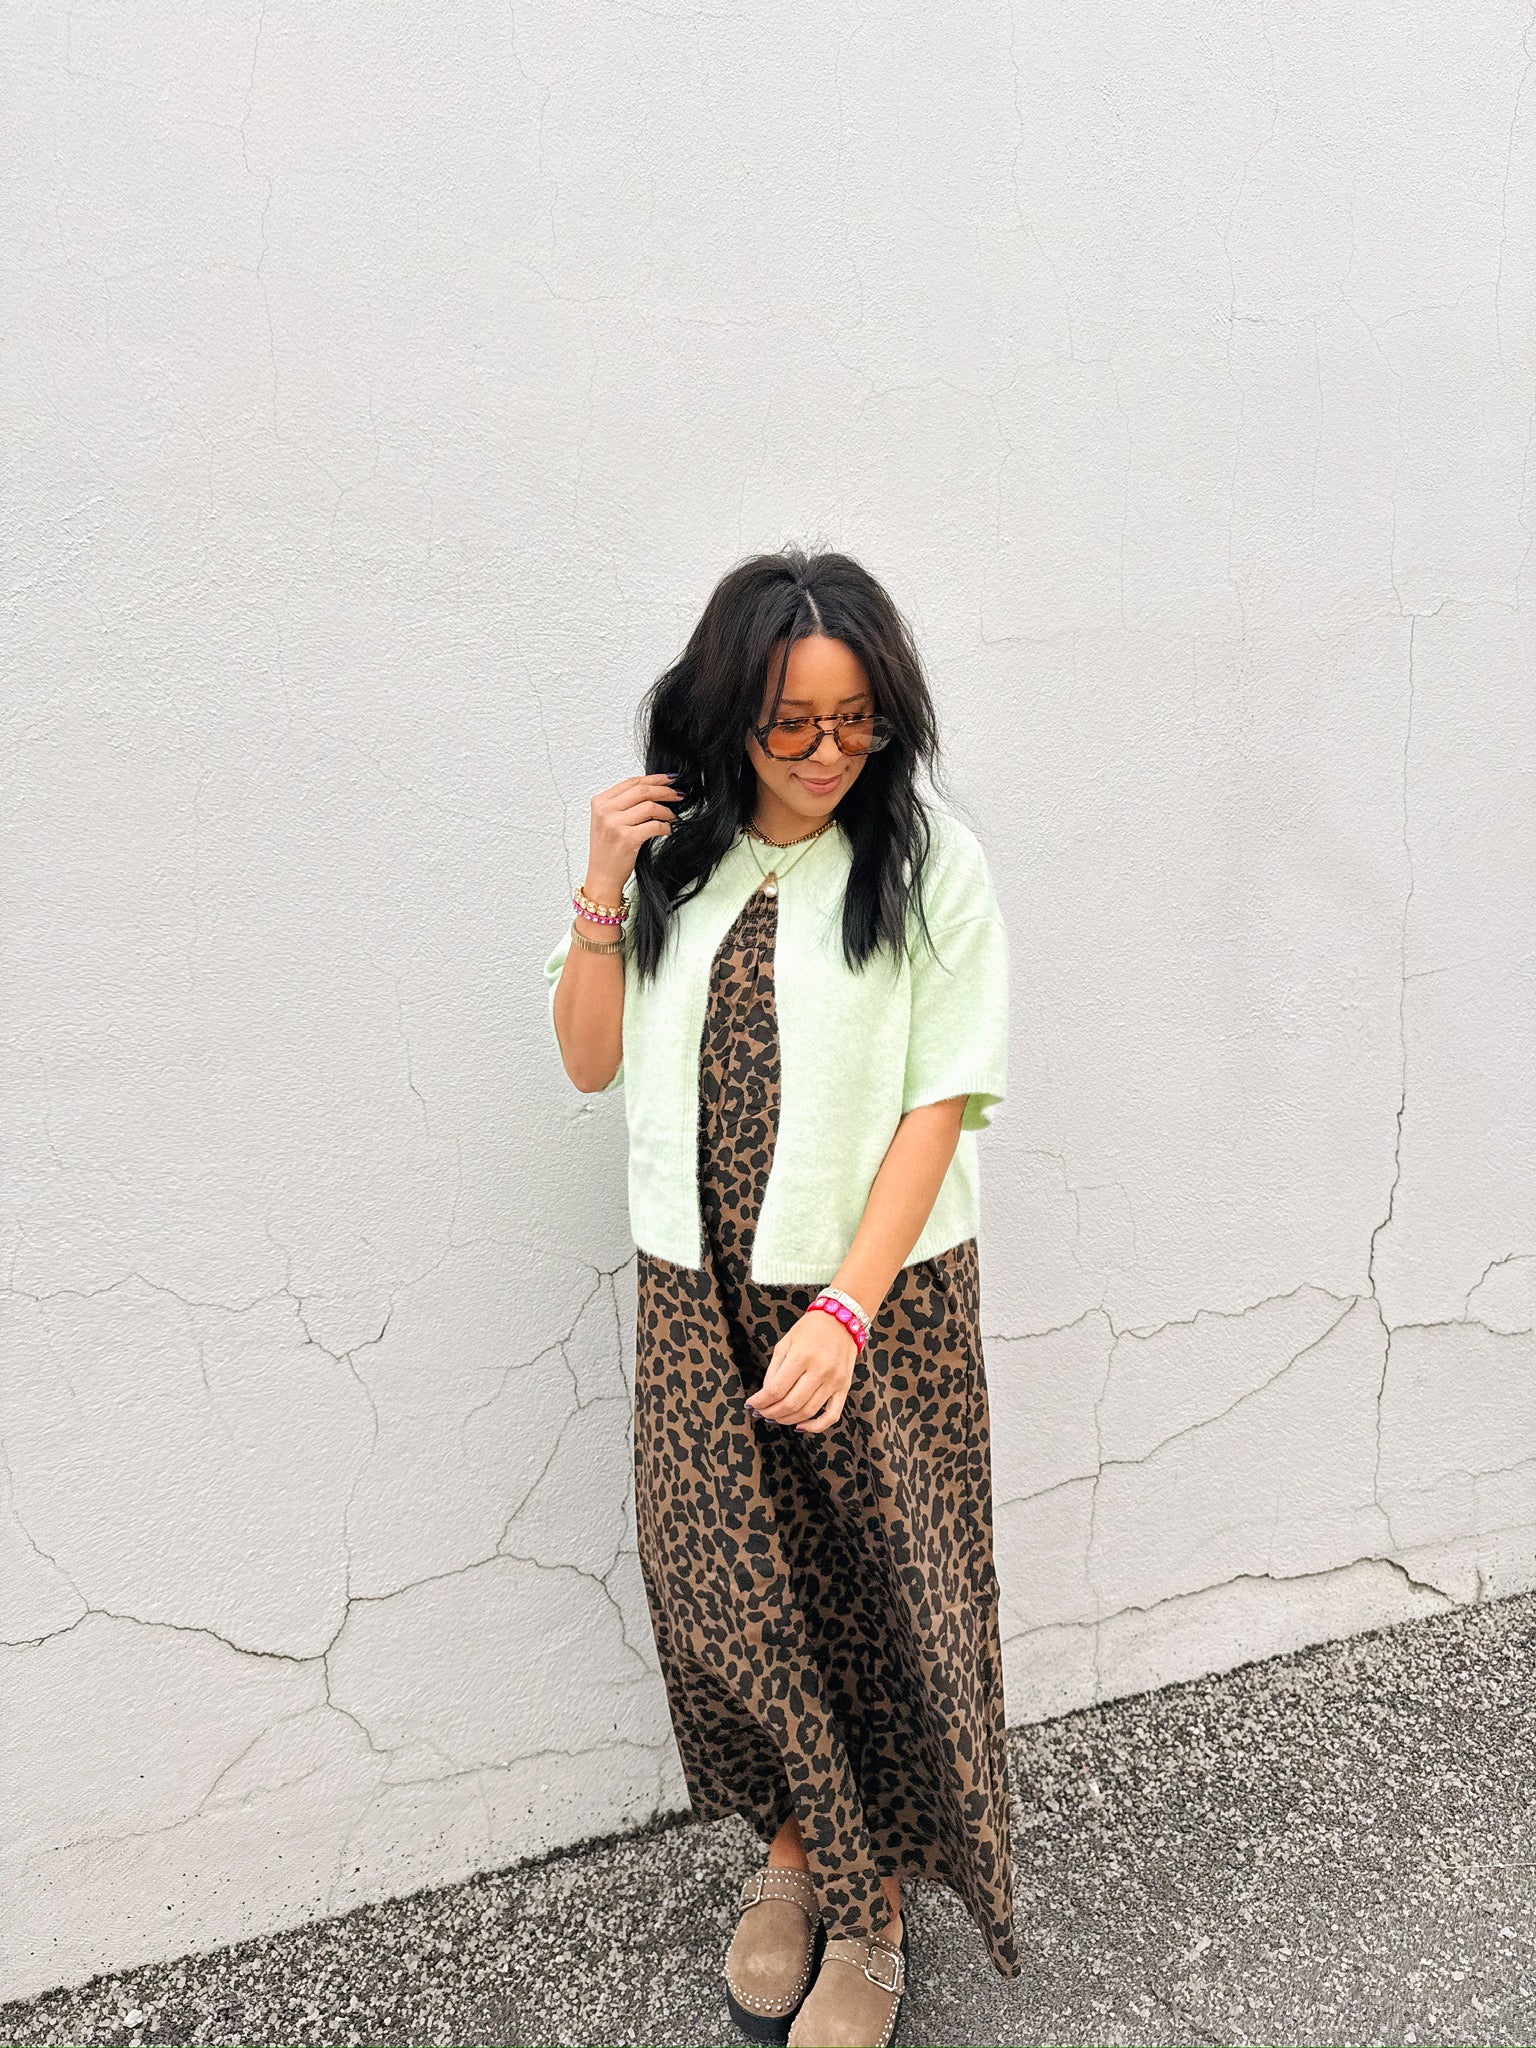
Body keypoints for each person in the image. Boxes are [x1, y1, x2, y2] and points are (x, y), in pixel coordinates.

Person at [544, 546, 1017, 2047]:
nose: (827, 754)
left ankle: (873, 1914)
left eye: (856, 720)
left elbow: (941, 1102)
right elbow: (589, 1057)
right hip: (698, 1294)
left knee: (876, 1595)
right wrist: (604, 882)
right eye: (791, 724)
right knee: (740, 1601)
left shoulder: (927, 862)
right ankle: (801, 1852)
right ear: (727, 715)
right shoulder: (678, 861)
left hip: (874, 1299)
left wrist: (848, 1314)